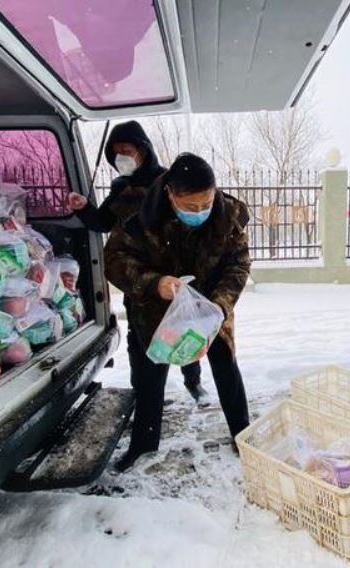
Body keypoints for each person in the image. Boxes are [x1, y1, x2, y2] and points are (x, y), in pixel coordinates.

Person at [104, 152, 251, 472]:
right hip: (156, 312)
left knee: (226, 368)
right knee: (150, 377)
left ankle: (243, 436)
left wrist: (219, 305)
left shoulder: (228, 218)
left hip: (211, 310)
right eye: (189, 206)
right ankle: (143, 445)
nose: (199, 212)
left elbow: (238, 264)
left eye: (206, 203)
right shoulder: (140, 217)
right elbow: (114, 262)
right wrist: (155, 284)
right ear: (170, 194)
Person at [68, 121, 208, 406]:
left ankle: (193, 381)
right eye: (116, 152)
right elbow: (104, 222)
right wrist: (83, 209)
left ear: (143, 150)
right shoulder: (121, 187)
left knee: (183, 328)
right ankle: (144, 396)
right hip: (136, 276)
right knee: (140, 340)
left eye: (127, 150)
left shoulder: (167, 181)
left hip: (172, 271)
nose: (122, 157)